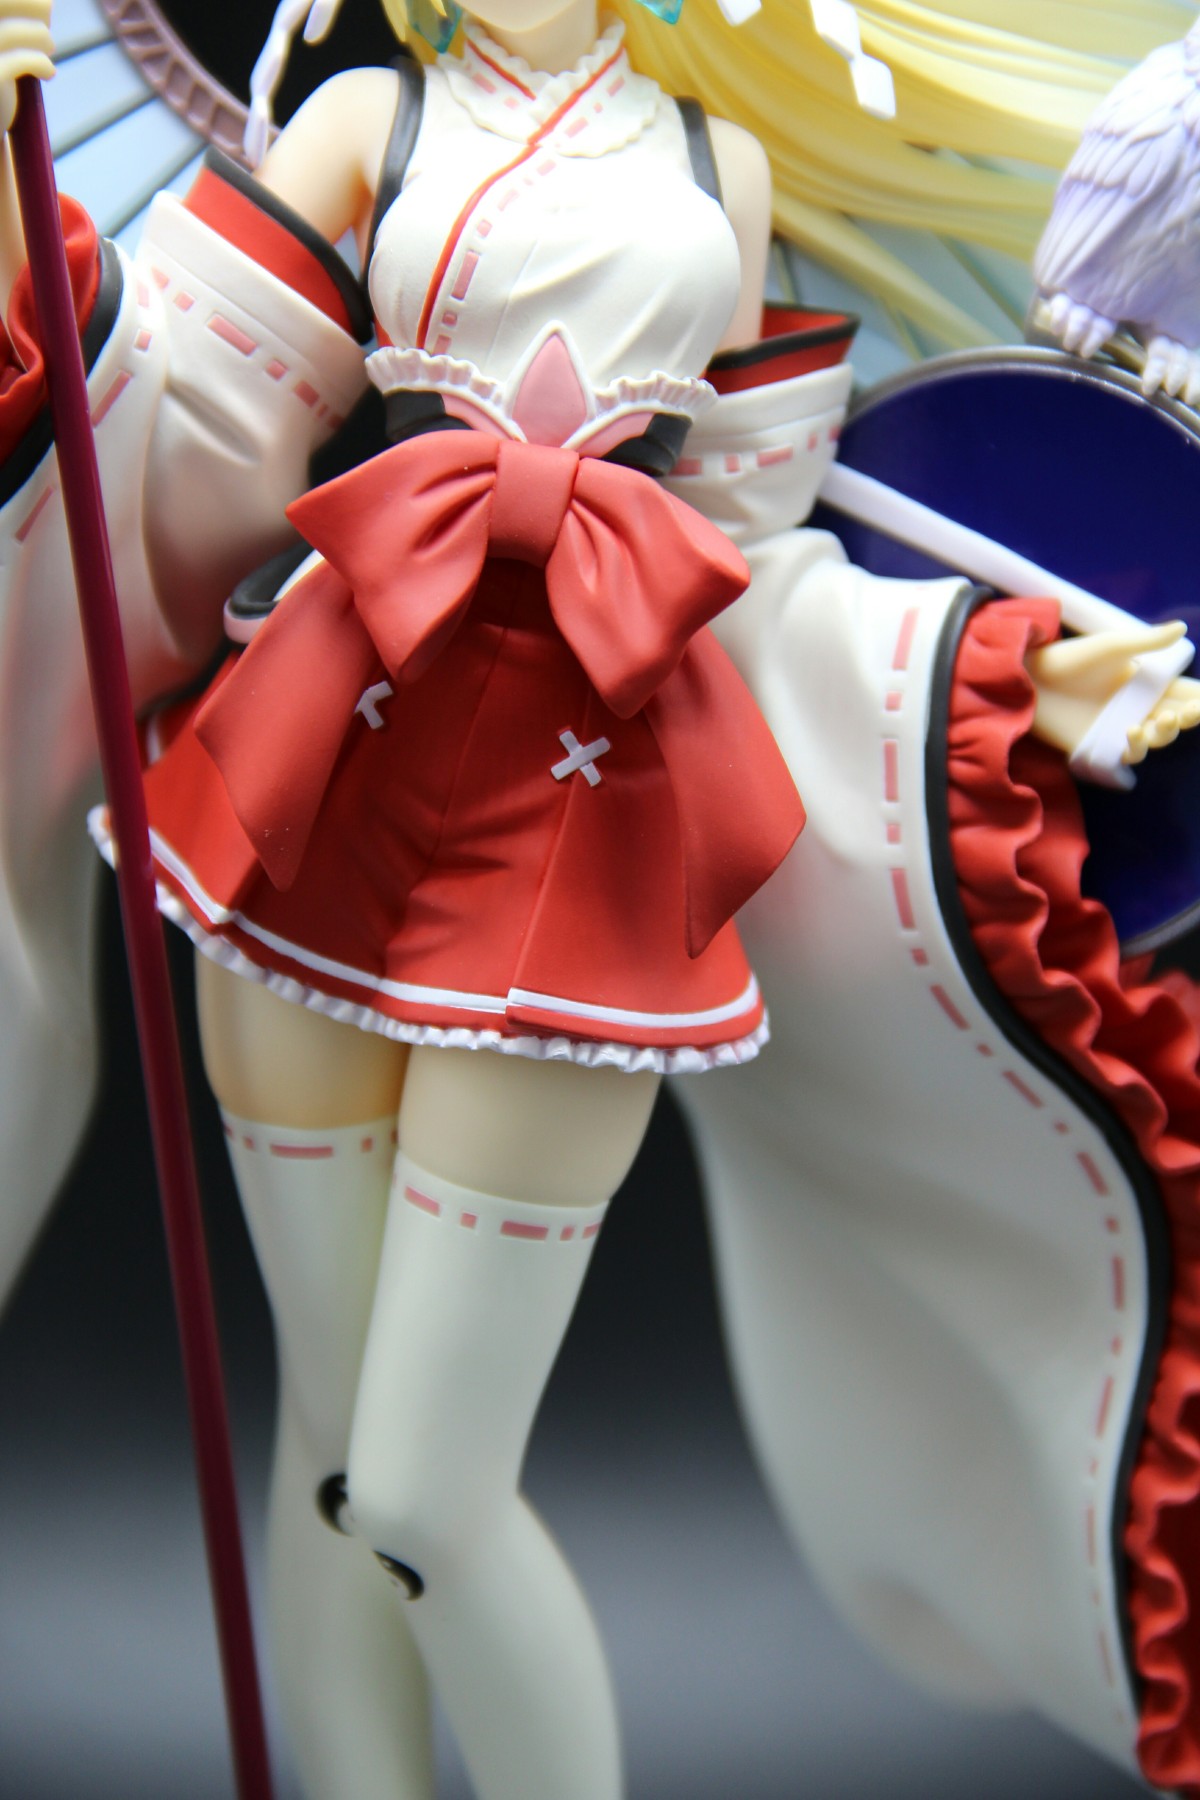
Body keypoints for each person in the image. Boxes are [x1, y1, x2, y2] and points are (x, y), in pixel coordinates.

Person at [1, 2, 1199, 1797]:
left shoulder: (725, 164)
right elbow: (181, 444)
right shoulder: (366, 127)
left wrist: (1003, 666)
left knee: (426, 1491)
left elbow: (752, 550)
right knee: (330, 1446)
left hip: (580, 816)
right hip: (328, 762)